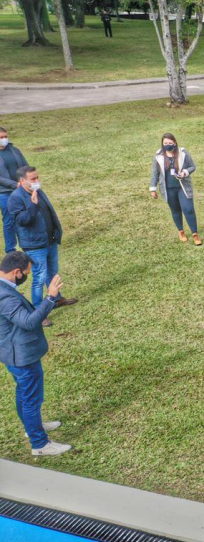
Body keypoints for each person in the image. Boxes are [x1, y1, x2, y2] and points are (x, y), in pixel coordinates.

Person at [0, 251, 71, 456]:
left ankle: (32, 427)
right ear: (16, 272)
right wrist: (50, 297)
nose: (27, 277)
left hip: (14, 353)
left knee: (23, 394)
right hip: (22, 356)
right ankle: (40, 444)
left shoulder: (4, 288)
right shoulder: (5, 296)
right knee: (31, 399)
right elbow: (29, 322)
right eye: (26, 273)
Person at [8, 166, 77, 327]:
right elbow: (22, 221)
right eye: (33, 179)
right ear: (22, 181)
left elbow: (49, 213)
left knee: (52, 272)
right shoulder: (15, 198)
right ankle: (39, 311)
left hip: (49, 240)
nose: (37, 181)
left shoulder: (38, 191)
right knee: (39, 277)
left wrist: (56, 231)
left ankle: (56, 298)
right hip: (34, 245)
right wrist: (32, 205)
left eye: (37, 177)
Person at [149, 133, 201, 246]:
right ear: (162, 143)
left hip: (183, 187)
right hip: (168, 189)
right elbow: (155, 173)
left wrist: (185, 172)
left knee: (188, 209)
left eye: (170, 142)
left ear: (175, 142)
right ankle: (181, 232)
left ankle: (195, 234)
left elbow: (192, 166)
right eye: (165, 143)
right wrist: (153, 189)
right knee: (175, 210)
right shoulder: (158, 155)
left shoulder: (183, 153)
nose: (167, 145)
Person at [0, 127, 28, 253]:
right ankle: (10, 249)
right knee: (9, 220)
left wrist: (25, 180)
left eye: (5, 136)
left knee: (23, 217)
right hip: (4, 192)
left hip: (20, 189)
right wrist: (14, 184)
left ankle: (25, 244)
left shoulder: (14, 150)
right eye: (1, 137)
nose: (4, 139)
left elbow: (25, 166)